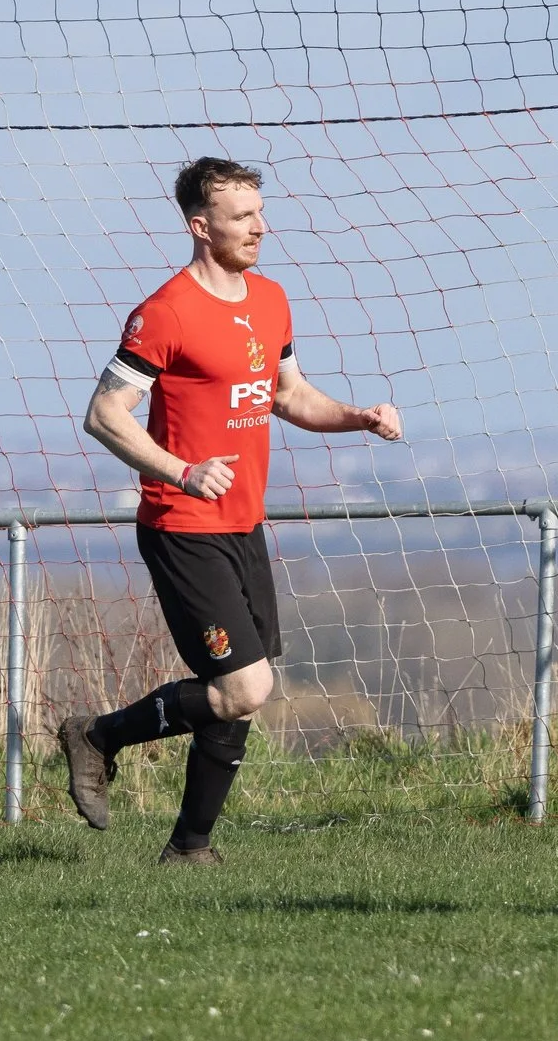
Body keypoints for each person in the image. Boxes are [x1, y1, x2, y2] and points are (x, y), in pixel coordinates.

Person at [58, 158, 403, 864]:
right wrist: (182, 472)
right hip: (182, 528)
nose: (259, 227)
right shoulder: (164, 312)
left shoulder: (271, 299)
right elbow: (103, 414)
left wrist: (356, 417)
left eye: (259, 212)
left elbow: (288, 395)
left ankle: (190, 847)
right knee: (248, 685)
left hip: (245, 525)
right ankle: (100, 738)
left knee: (240, 689)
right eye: (241, 216)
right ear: (200, 225)